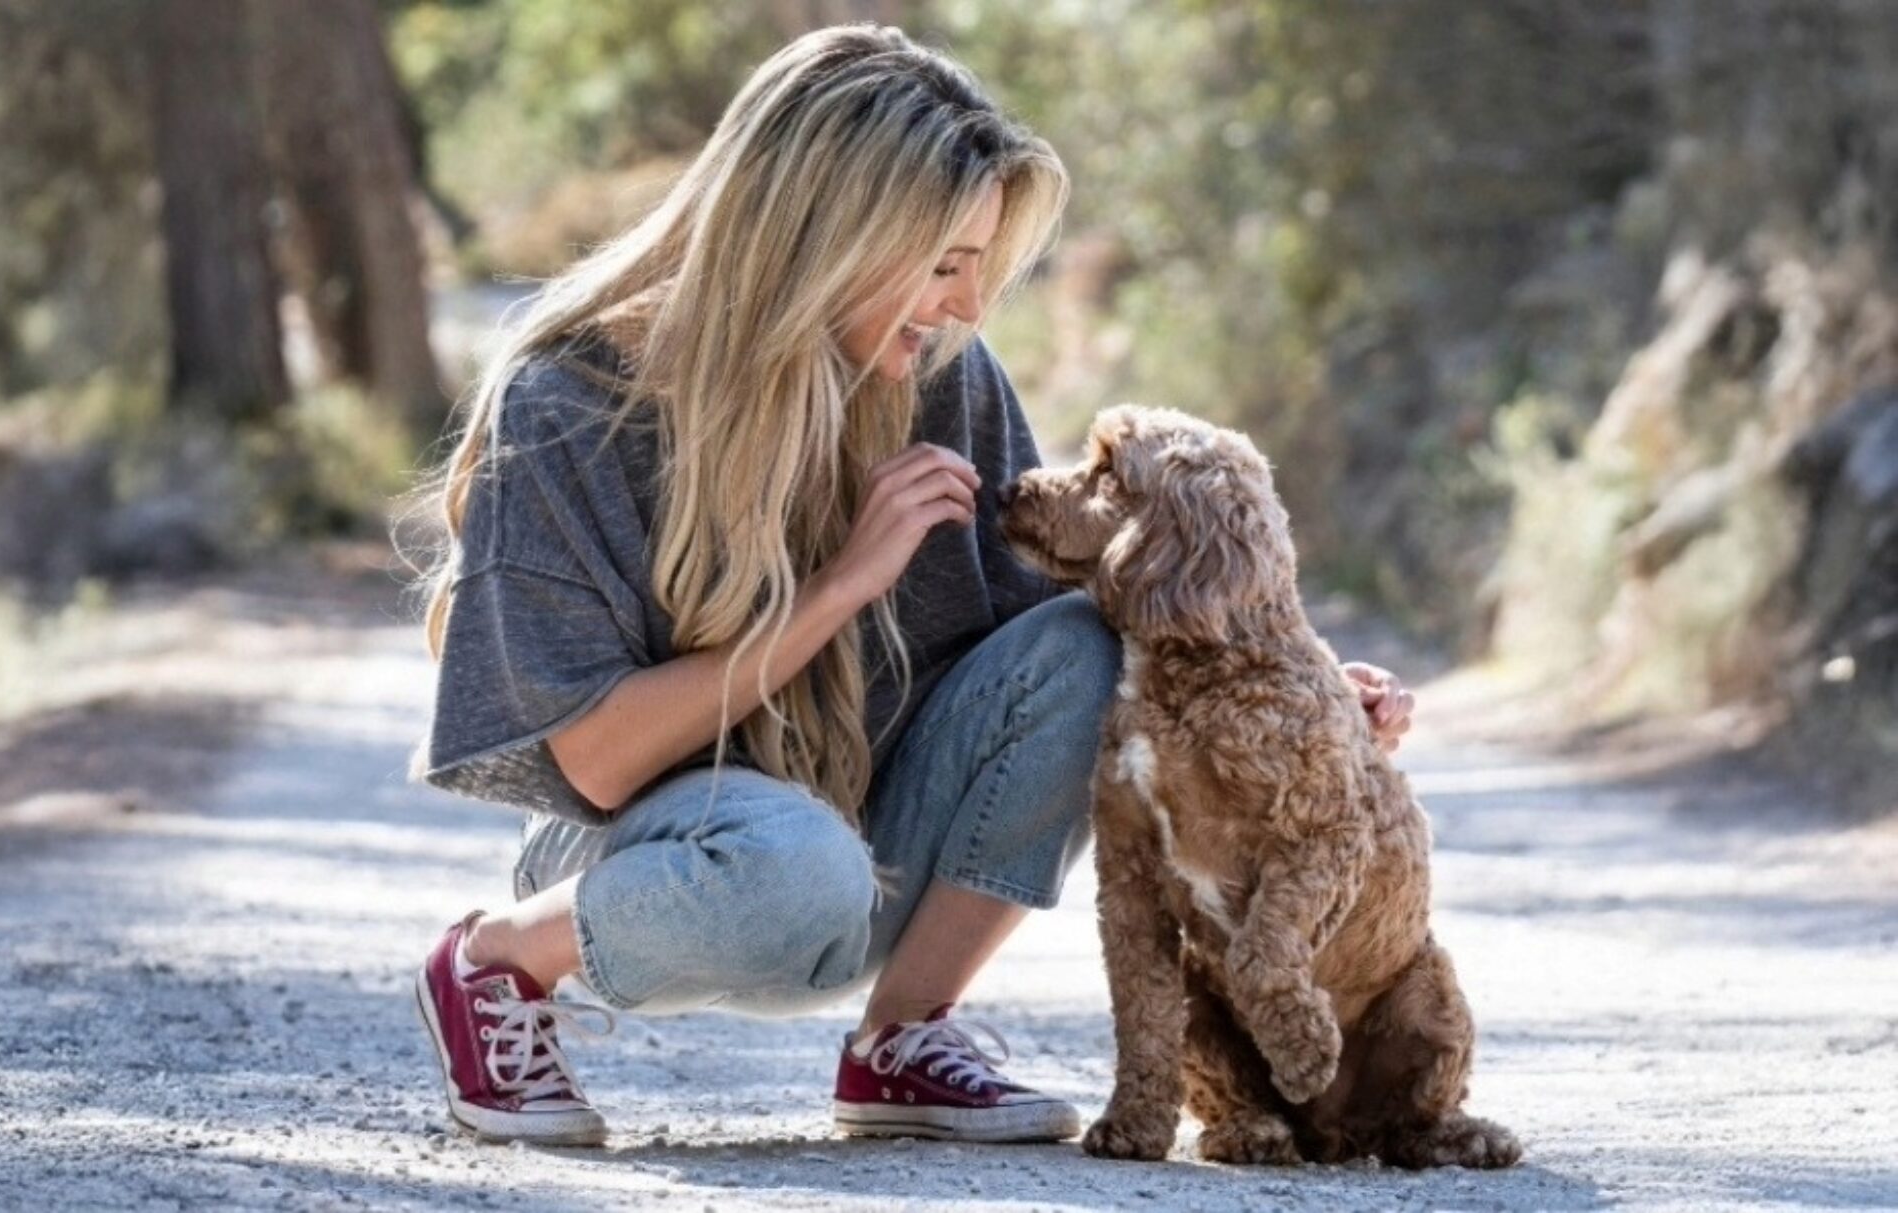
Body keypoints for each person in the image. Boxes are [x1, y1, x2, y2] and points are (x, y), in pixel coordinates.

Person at [406, 22, 1416, 1149]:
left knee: (1084, 649)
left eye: (980, 264)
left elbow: (1079, 656)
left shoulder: (943, 379)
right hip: (655, 862)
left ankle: (903, 1038)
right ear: (821, 236)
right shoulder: (568, 401)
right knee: (797, 868)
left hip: (866, 837)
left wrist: (1312, 692)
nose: (968, 305)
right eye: (943, 263)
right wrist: (840, 587)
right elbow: (594, 758)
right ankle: (493, 962)